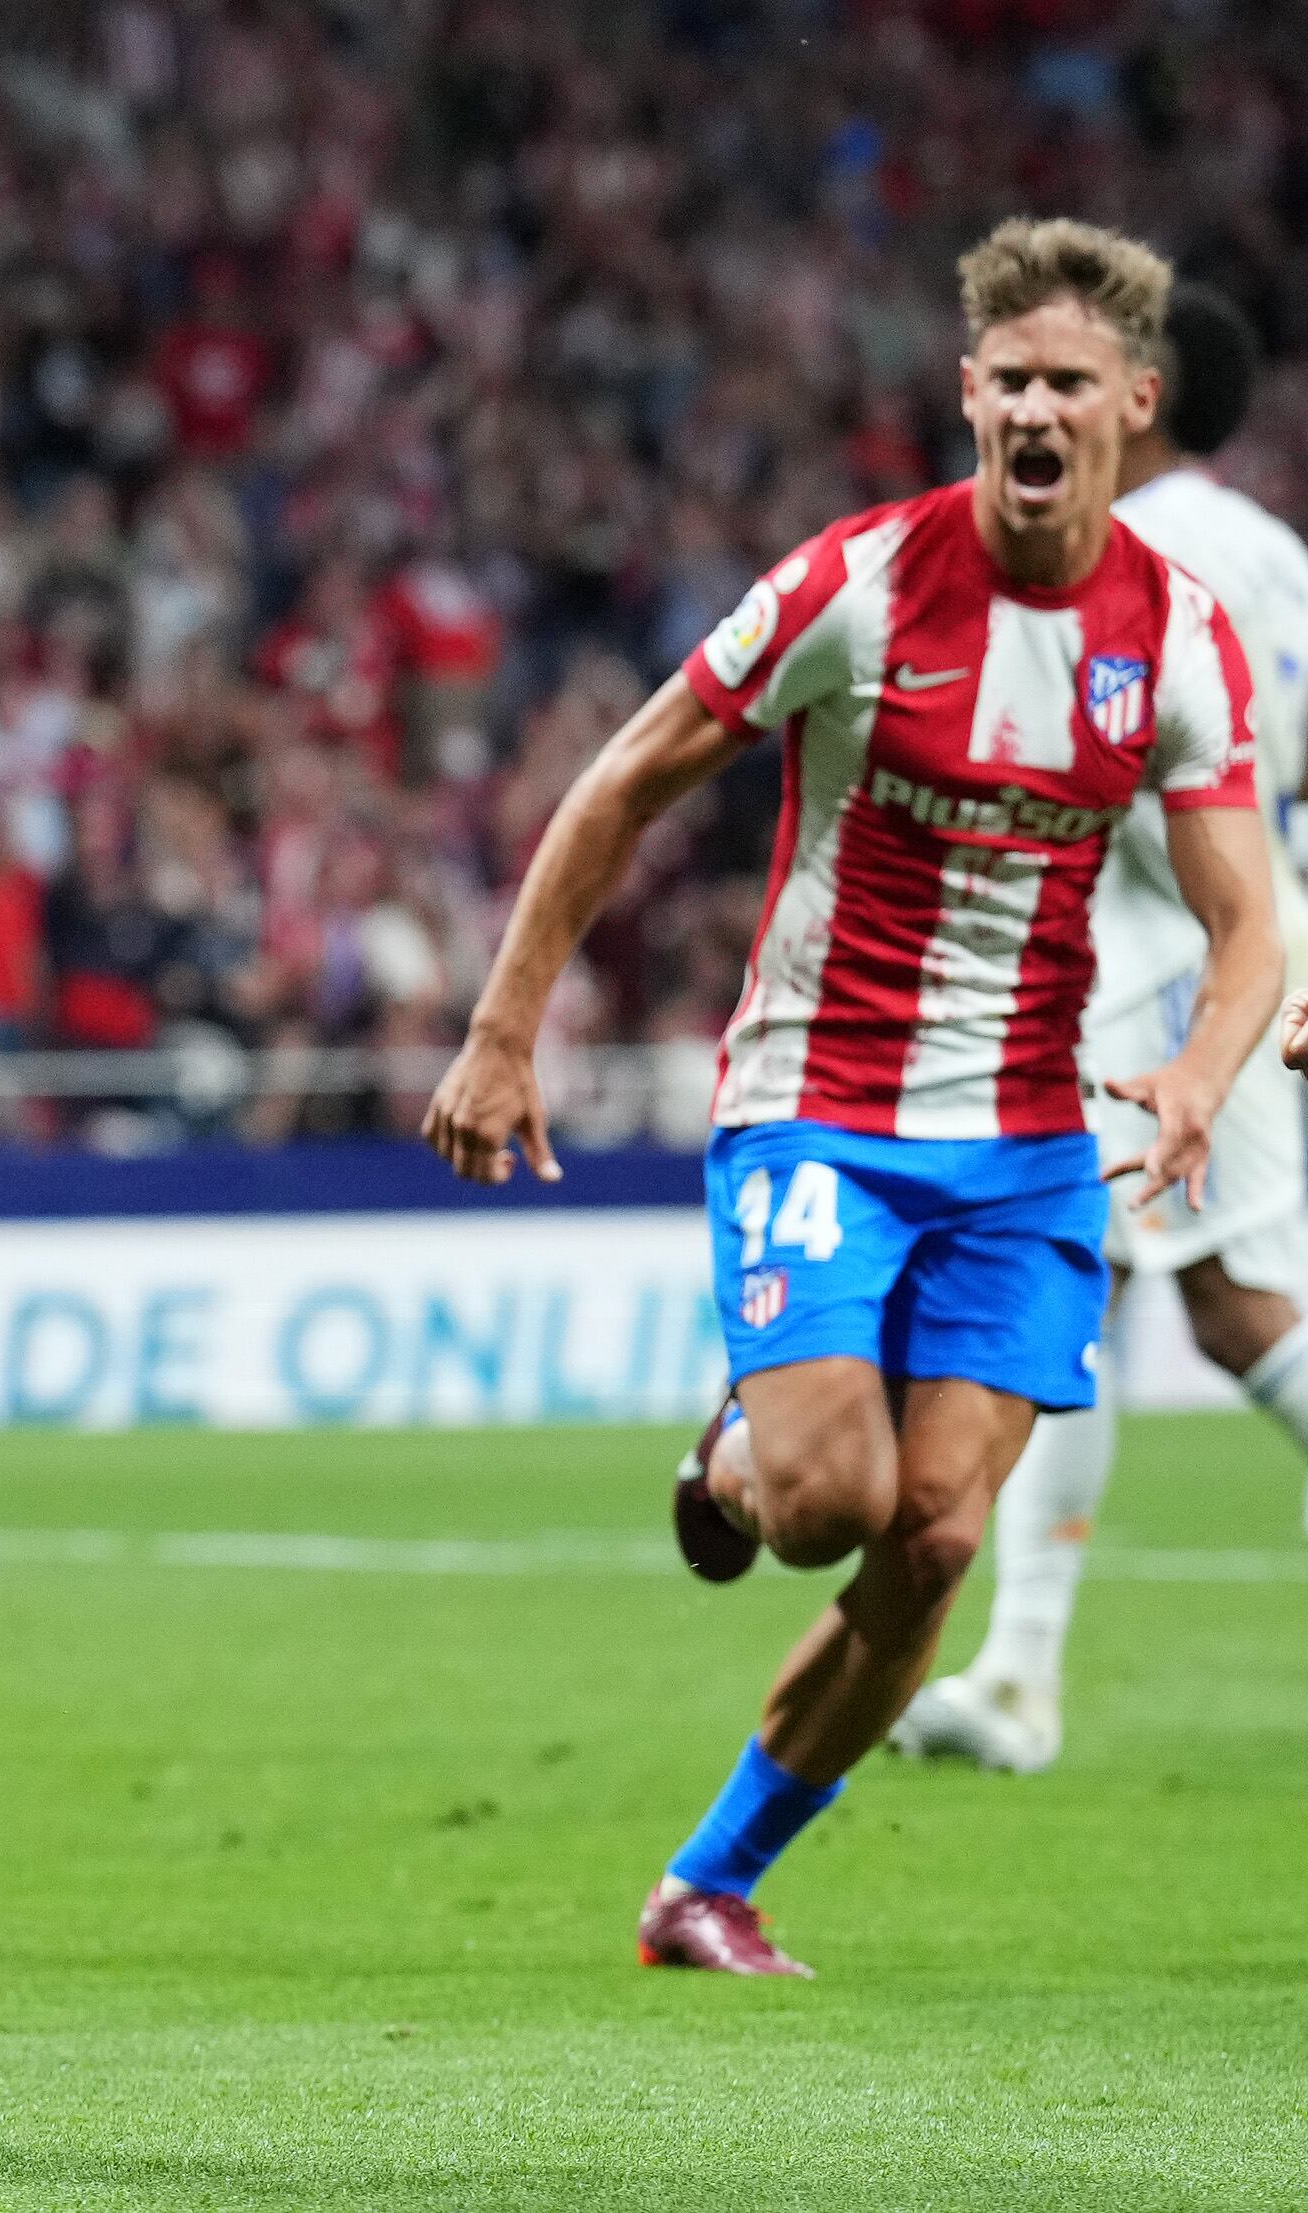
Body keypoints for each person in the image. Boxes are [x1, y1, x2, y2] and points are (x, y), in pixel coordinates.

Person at [422, 219, 1283, 1975]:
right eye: (1007, 380)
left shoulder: (1178, 634)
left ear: (1132, 401)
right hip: (820, 1106)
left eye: (1069, 382)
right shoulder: (856, 584)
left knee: (932, 1534)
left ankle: (705, 1883)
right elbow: (621, 781)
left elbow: (1241, 913)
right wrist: (503, 1027)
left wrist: (1201, 1070)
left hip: (1031, 1142)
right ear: (968, 395)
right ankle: (737, 1446)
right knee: (822, 1504)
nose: (1034, 409)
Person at [891, 286, 1308, 1773]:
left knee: (1234, 1303)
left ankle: (1013, 1676)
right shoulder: (1279, 556)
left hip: (1157, 959)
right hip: (1240, 938)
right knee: (1084, 1292)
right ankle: (1015, 1677)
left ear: (1141, 391)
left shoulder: (1142, 560)